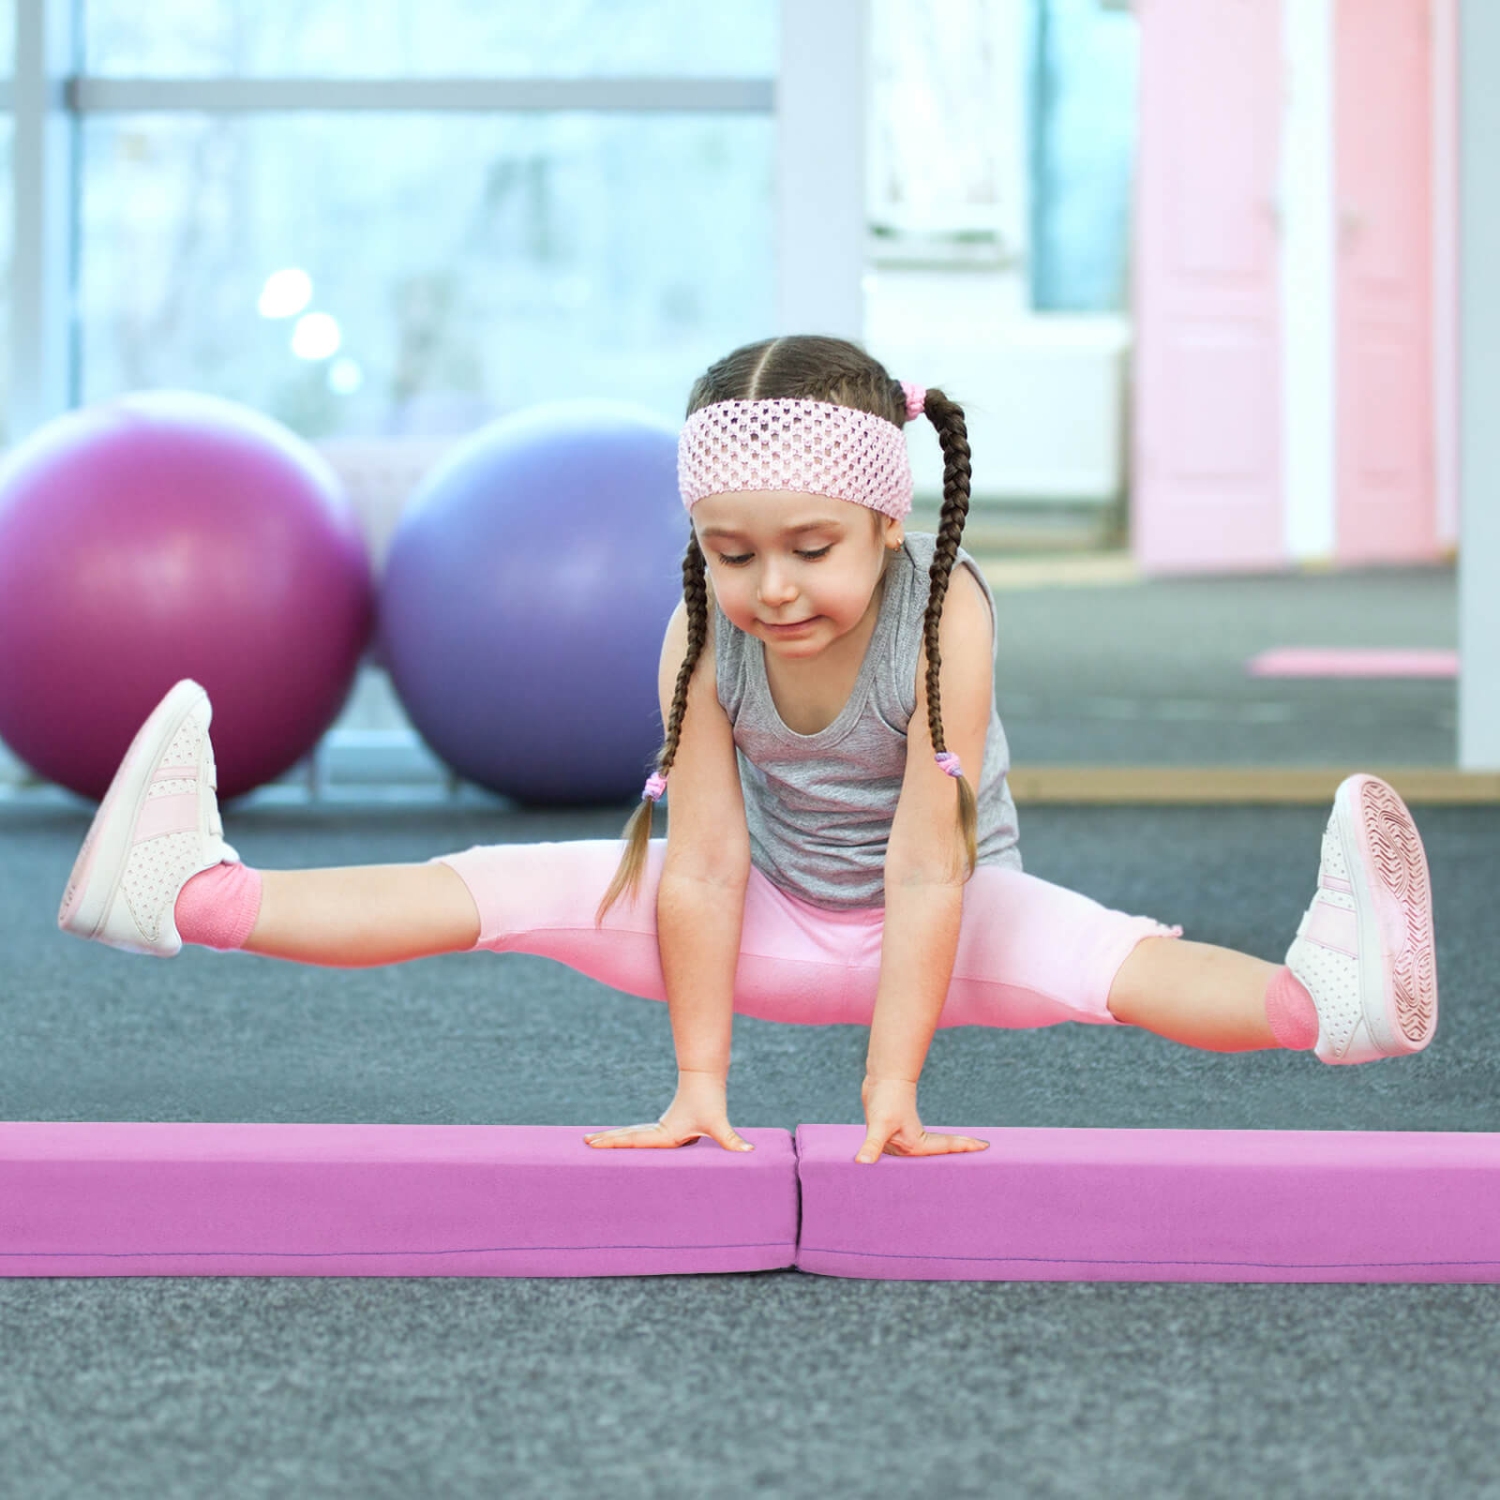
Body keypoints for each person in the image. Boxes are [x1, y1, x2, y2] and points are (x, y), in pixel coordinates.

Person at [57, 335, 1439, 1166]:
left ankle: (1325, 1008)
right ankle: (190, 897)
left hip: (947, 922)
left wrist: (888, 1091)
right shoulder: (701, 636)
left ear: (890, 527)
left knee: (1113, 959)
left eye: (812, 550)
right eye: (732, 552)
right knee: (502, 884)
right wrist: (697, 1092)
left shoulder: (944, 615)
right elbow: (705, 869)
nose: (772, 588)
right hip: (764, 919)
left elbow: (929, 870)